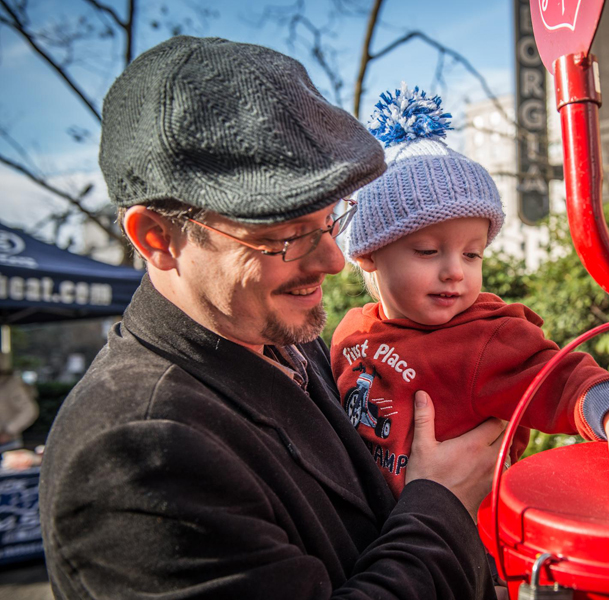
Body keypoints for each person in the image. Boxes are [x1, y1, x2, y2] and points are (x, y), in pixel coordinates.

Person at [39, 37, 505, 600]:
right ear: (157, 238)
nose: (334, 261)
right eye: (282, 236)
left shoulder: (277, 333)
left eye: (332, 217)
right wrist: (442, 506)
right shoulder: (137, 457)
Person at [332, 85, 609, 500]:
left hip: (467, 539)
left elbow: (560, 378)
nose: (455, 272)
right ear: (368, 254)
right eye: (427, 251)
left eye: (473, 254)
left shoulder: (485, 340)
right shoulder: (352, 332)